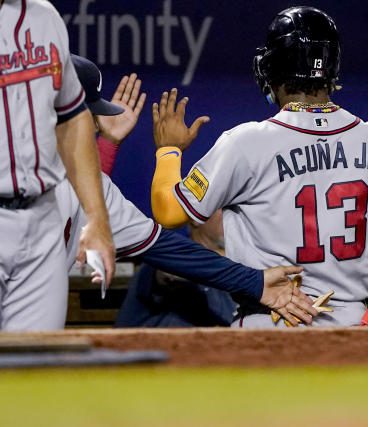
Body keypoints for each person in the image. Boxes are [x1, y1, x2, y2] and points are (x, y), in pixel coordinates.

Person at [149, 6, 368, 327]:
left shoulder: (245, 142)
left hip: (272, 323)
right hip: (356, 327)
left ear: (273, 67)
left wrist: (168, 150)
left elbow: (169, 212)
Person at [56, 55, 319, 327]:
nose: (95, 126)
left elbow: (164, 247)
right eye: (90, 116)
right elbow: (166, 263)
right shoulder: (14, 179)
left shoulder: (85, 184)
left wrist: (255, 282)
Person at [0, 0, 114, 330]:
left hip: (41, 221)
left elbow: (72, 118)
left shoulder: (45, 16)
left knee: (37, 367)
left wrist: (96, 218)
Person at [115, 216, 237, 327]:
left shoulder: (235, 274)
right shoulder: (165, 257)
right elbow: (169, 272)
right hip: (152, 347)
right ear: (197, 218)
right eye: (226, 207)